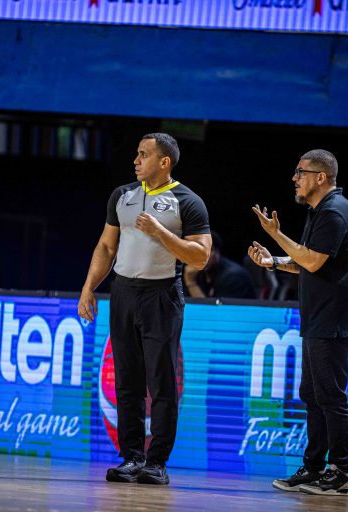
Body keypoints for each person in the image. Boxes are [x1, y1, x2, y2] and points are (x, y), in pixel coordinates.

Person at [78, 133, 211, 486]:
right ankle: (132, 457)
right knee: (126, 381)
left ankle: (157, 462)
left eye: (143, 155)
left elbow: (201, 256)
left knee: (162, 382)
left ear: (164, 162)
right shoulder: (122, 196)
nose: (136, 160)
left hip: (162, 294)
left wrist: (160, 232)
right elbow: (106, 247)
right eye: (136, 154)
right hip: (123, 292)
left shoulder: (187, 201)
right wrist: (89, 287)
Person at [248, 149, 348, 496]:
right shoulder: (321, 211)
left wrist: (275, 234)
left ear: (321, 177)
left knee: (331, 396)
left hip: (333, 319)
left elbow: (312, 262)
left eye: (301, 172)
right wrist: (273, 261)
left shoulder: (335, 212)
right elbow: (307, 262)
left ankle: (340, 472)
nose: (294, 178)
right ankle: (314, 468)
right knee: (312, 394)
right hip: (318, 319)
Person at [183, 231, 256, 299]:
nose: (201, 255)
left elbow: (212, 308)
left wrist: (191, 283)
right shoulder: (196, 272)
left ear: (217, 251)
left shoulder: (234, 276)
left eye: (208, 250)